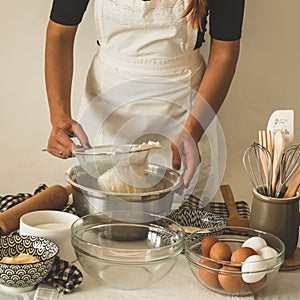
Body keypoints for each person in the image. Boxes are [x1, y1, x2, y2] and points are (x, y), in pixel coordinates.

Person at [45, 0, 245, 207]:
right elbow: (59, 33)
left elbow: (225, 53)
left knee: (180, 219)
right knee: (102, 211)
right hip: (106, 109)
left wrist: (193, 131)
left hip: (185, 116)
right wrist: (59, 117)